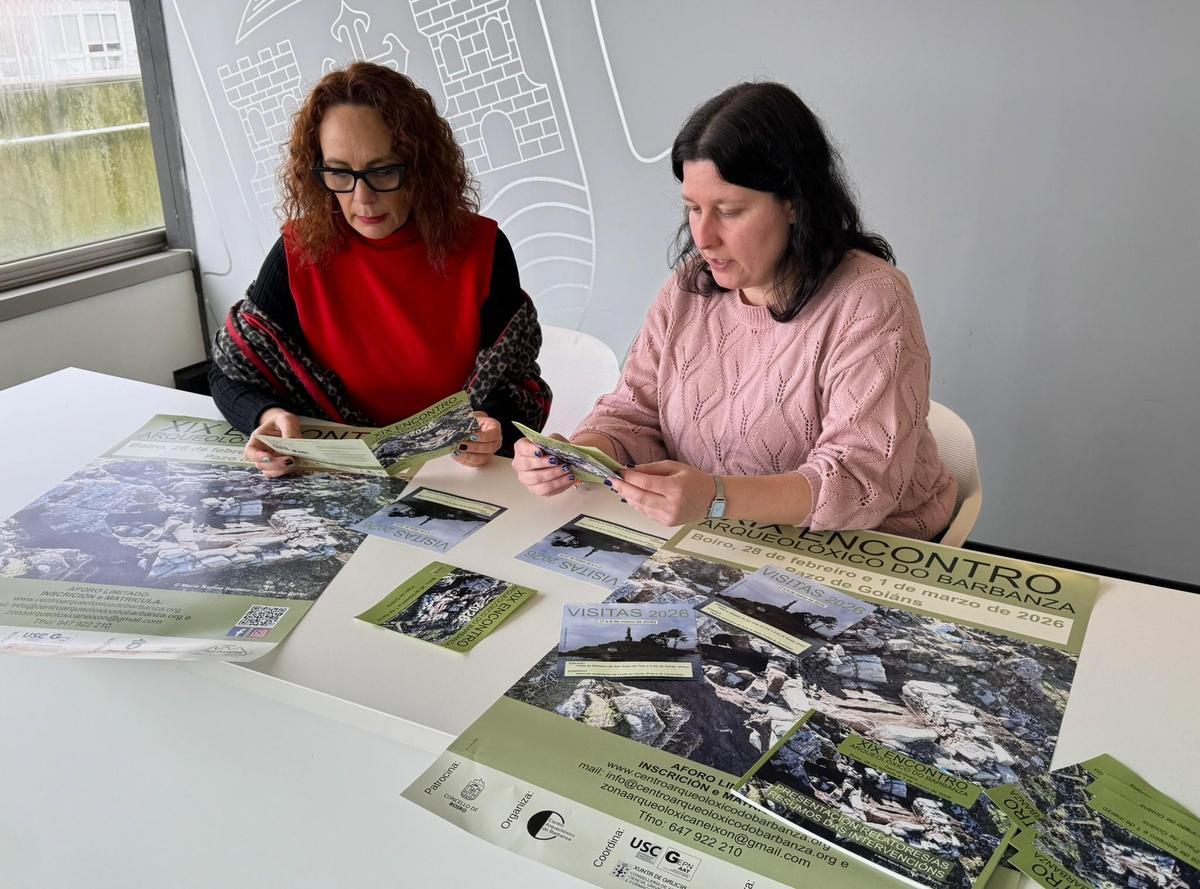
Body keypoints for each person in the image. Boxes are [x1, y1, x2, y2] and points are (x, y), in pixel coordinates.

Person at [513, 82, 955, 540]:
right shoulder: (688, 288)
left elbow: (859, 481)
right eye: (693, 209)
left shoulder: (871, 301)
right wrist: (578, 454)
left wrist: (716, 496)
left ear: (794, 204)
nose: (703, 238)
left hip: (869, 548)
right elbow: (633, 414)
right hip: (725, 537)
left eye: (729, 210)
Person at [209, 62, 550, 477]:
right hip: (340, 476)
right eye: (339, 173)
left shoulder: (483, 249)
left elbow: (519, 388)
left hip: (458, 478)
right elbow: (229, 372)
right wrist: (266, 414)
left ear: (421, 165)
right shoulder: (299, 252)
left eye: (383, 171)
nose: (363, 198)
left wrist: (491, 426)